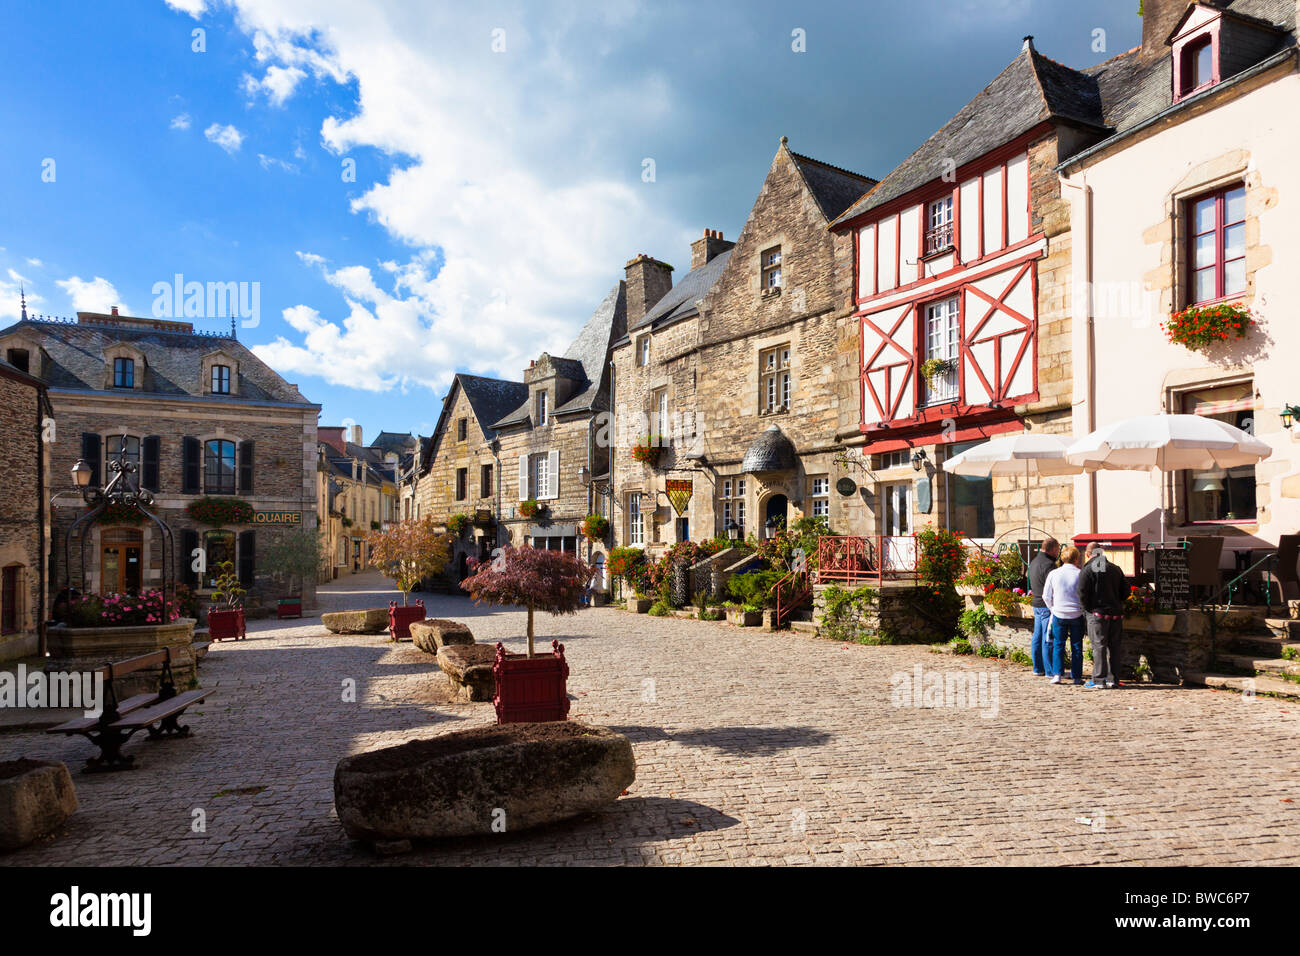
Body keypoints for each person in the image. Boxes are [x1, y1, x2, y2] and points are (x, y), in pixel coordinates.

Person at [1076, 541, 1128, 689]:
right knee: (1114, 647)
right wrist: (1117, 602)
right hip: (1115, 614)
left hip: (1097, 613)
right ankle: (1113, 679)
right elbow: (1126, 591)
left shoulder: (1087, 570)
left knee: (1099, 646)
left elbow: (1081, 593)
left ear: (1087, 554)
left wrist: (1088, 610)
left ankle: (1099, 680)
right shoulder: (1115, 569)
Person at [1042, 545, 1085, 685]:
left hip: (1059, 613)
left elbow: (1046, 596)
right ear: (1076, 559)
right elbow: (1084, 595)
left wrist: (1053, 608)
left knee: (1058, 644)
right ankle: (1077, 676)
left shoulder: (1054, 574)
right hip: (1076, 613)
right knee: (1077, 646)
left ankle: (1057, 674)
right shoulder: (1080, 574)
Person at [1027, 537, 1061, 677]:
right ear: (1052, 549)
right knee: (1047, 638)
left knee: (1037, 636)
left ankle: (1037, 668)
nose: (1058, 552)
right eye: (1058, 550)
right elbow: (1053, 586)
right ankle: (1049, 670)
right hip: (1046, 605)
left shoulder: (1034, 562)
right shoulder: (1049, 565)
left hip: (1036, 603)